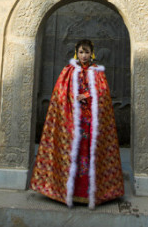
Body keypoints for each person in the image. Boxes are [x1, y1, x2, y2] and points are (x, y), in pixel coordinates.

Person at [30, 39, 124, 208]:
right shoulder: (68, 71)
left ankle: (89, 193)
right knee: (73, 153)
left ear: (92, 53)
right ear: (76, 53)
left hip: (91, 121)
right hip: (72, 120)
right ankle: (67, 192)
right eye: (81, 52)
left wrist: (87, 95)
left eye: (87, 52)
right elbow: (60, 94)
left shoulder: (97, 72)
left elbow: (103, 93)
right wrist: (73, 97)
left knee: (89, 153)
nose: (83, 55)